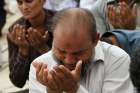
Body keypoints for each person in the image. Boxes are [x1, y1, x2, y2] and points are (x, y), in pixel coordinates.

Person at [29, 8, 133, 93]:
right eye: (61, 51)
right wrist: (52, 91)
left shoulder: (117, 59)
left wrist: (74, 89)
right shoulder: (39, 67)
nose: (69, 60)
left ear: (96, 40)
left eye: (77, 53)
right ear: (53, 38)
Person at [7, 0, 55, 88]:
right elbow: (17, 82)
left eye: (29, 1)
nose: (24, 7)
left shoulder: (61, 22)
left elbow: (70, 70)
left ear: (43, 1)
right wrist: (23, 50)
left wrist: (43, 49)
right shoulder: (15, 31)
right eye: (20, 3)